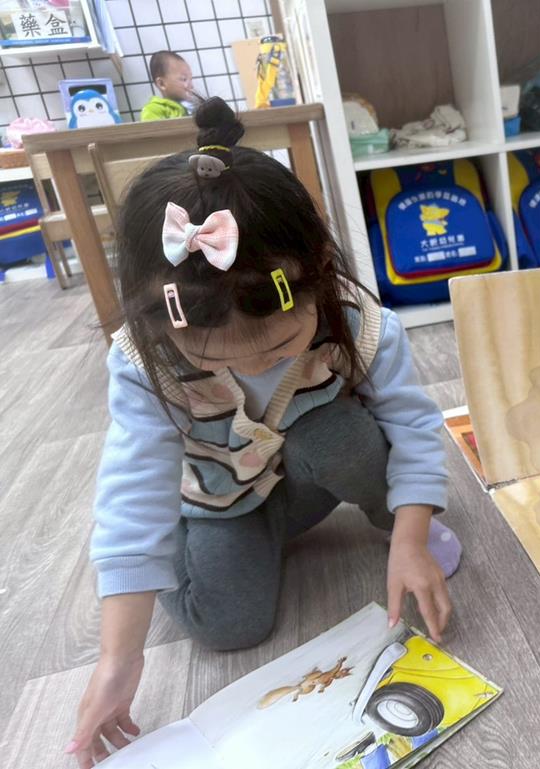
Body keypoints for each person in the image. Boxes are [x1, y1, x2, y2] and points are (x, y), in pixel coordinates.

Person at [65, 97, 459, 768]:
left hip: (305, 479)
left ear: (321, 275)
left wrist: (412, 533)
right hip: (220, 499)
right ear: (156, 322)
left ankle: (390, 522)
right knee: (230, 626)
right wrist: (118, 657)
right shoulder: (143, 358)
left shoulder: (360, 324)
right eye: (213, 357)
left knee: (339, 437)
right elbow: (135, 490)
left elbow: (414, 426)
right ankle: (206, 549)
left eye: (277, 345)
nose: (252, 366)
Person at [140, 50, 194, 121]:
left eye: (191, 79)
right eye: (184, 79)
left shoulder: (190, 107)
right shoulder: (153, 110)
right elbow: (151, 128)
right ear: (161, 84)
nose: (191, 85)